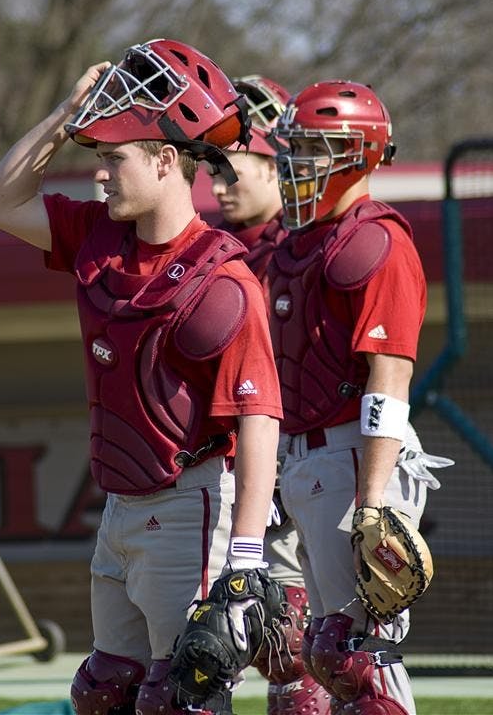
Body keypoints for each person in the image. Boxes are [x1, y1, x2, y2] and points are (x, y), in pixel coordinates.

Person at [0, 39, 284, 715]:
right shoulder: (98, 237)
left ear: (167, 160)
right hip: (118, 506)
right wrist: (67, 113)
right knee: (102, 693)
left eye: (114, 159)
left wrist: (244, 558)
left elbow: (259, 419)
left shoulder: (221, 276)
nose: (100, 176)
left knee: (179, 697)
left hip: (187, 504)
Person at [267, 80, 453, 715]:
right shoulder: (302, 242)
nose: (295, 162)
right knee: (329, 655)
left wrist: (373, 500)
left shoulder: (373, 239)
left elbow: (389, 376)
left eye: (313, 148)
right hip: (309, 459)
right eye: (294, 147)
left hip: (357, 457)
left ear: (356, 154)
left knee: (360, 659)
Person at [209, 75, 331, 715]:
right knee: (214, 646)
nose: (218, 187)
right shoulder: (211, 251)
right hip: (222, 466)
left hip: (299, 462)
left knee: (293, 646)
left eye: (233, 171)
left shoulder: (304, 249)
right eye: (214, 173)